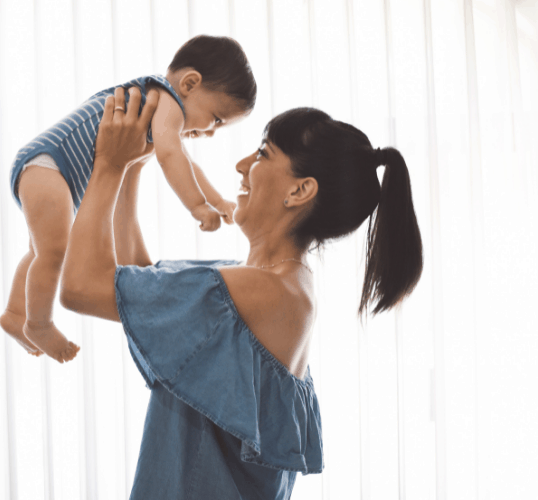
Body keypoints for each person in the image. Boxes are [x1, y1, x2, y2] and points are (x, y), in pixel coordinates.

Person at [60, 86, 424, 498]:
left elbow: (81, 288)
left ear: (300, 191)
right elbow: (139, 280)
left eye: (263, 154)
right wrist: (131, 169)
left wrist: (107, 164)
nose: (241, 165)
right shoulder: (266, 283)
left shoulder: (259, 291)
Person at [0, 35, 257, 363]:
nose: (209, 132)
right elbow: (171, 155)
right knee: (54, 251)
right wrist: (197, 206)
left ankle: (14, 313)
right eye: (216, 120)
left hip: (46, 167)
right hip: (49, 163)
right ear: (190, 83)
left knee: (43, 251)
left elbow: (185, 161)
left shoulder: (155, 109)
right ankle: (38, 323)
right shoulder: (165, 99)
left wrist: (218, 200)